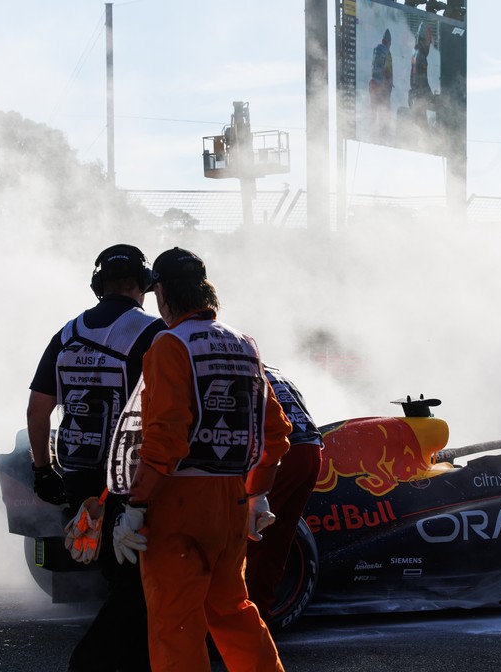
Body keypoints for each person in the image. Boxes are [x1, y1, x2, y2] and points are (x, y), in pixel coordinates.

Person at [114, 247, 292, 672]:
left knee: (175, 623)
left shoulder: (169, 344)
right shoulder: (244, 343)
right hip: (231, 498)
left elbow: (166, 439)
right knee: (233, 609)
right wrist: (258, 495)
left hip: (177, 502)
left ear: (163, 294)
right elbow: (275, 432)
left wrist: (136, 506)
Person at [25, 243, 166, 672]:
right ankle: (95, 662)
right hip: (126, 479)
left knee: (115, 573)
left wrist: (42, 469)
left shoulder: (66, 334)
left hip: (78, 476)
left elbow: (37, 410)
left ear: (97, 285)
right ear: (142, 285)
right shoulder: (152, 332)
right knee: (140, 581)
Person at [245, 365, 324, 617]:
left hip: (282, 453)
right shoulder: (276, 371)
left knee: (249, 537)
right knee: (277, 540)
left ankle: (244, 617)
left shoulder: (234, 366)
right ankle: (262, 613)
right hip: (312, 451)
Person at [369, 28, 394, 140]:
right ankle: (382, 137)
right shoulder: (387, 53)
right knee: (384, 112)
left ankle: (372, 134)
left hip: (373, 84)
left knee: (374, 111)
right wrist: (388, 83)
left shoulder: (377, 50)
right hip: (382, 88)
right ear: (389, 42)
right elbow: (387, 70)